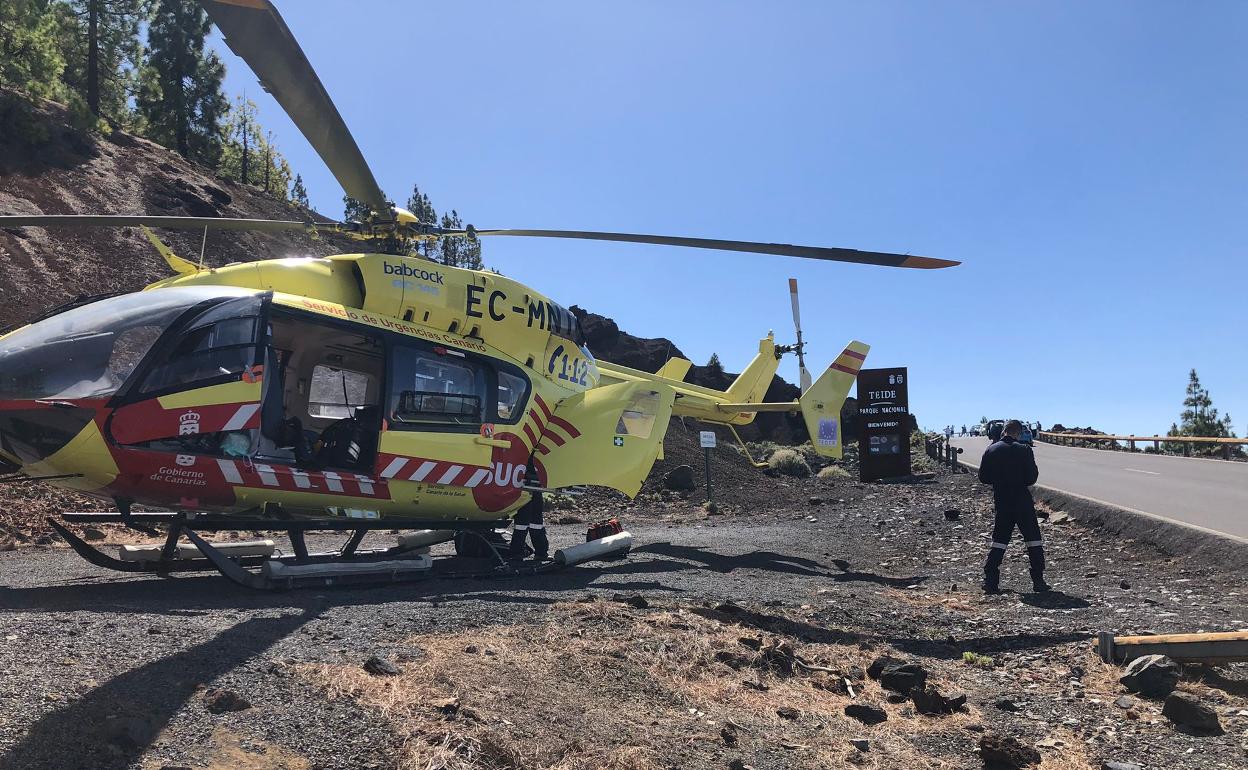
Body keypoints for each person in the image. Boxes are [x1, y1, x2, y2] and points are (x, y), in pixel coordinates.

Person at [977, 419, 1048, 593]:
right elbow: (1032, 478)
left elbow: (983, 477)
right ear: (1017, 433)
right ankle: (1038, 581)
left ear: (1003, 431)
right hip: (1021, 499)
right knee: (1033, 540)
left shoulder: (991, 450)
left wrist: (999, 480)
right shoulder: (1024, 450)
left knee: (999, 540)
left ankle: (991, 580)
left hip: (1002, 499)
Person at [508, 460, 548, 560]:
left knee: (533, 523)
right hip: (525, 486)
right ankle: (519, 553)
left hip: (533, 486)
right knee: (524, 523)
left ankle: (538, 553)